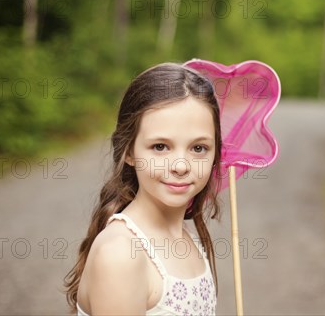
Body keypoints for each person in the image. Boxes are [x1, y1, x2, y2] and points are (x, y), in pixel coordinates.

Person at [64, 63, 222, 315]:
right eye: (160, 147)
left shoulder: (188, 240)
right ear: (129, 151)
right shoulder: (121, 254)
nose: (180, 166)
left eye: (198, 148)